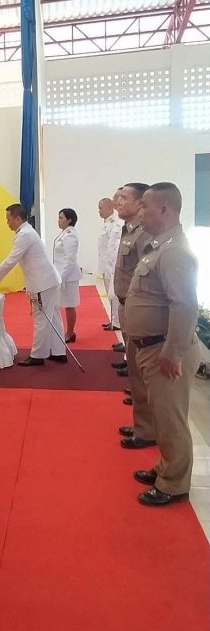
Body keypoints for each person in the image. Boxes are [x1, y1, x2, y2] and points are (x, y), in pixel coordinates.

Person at [126, 183, 200, 506]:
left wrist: (172, 352)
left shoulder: (173, 252)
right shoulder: (160, 246)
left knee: (171, 420)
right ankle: (165, 467)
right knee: (160, 415)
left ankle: (174, 483)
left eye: (146, 206)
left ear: (165, 210)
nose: (141, 212)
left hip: (164, 350)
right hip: (152, 347)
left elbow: (184, 305)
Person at [0, 204, 66, 366]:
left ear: (18, 219)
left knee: (42, 319)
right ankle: (58, 352)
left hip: (43, 283)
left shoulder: (24, 235)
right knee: (52, 317)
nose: (7, 223)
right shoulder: (27, 232)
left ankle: (38, 356)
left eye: (8, 219)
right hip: (48, 280)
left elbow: (11, 260)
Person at [113, 183, 155, 449]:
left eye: (123, 197)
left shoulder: (143, 234)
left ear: (140, 203)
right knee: (135, 372)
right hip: (125, 306)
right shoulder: (127, 230)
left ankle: (148, 429)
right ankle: (143, 424)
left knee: (141, 372)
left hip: (136, 308)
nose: (118, 201)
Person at [52, 208, 80, 343]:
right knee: (60, 303)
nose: (58, 220)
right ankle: (65, 331)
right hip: (61, 274)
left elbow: (70, 260)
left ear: (69, 220)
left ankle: (70, 332)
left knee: (69, 305)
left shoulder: (70, 235)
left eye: (61, 218)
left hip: (68, 276)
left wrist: (60, 277)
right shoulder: (64, 233)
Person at [97, 197, 122, 331]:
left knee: (113, 295)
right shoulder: (106, 224)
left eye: (101, 208)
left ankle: (117, 321)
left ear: (109, 208)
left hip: (111, 265)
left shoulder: (115, 225)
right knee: (108, 293)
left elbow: (112, 248)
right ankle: (113, 318)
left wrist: (111, 266)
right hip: (105, 265)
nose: (99, 211)